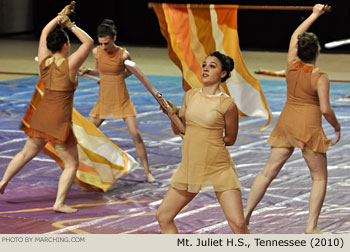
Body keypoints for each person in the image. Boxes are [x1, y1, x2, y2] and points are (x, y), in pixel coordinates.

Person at [244, 4, 341, 234]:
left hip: (286, 123)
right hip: (308, 126)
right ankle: (311, 227)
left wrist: (315, 14)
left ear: (299, 50)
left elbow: (295, 35)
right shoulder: (320, 77)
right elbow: (326, 109)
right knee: (319, 178)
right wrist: (336, 128)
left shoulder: (290, 66)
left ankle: (244, 216)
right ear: (318, 51)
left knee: (267, 172)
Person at [0, 7, 93, 213]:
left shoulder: (44, 60)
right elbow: (88, 42)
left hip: (41, 115)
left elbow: (43, 32)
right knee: (71, 164)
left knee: (26, 153)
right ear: (66, 46)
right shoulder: (70, 64)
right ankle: (59, 203)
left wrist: (58, 17)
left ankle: (3, 182)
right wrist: (71, 25)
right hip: (59, 119)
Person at [156, 51, 249, 234]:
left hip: (218, 167)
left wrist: (207, 141)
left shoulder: (227, 104)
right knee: (163, 216)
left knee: (238, 224)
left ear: (222, 74)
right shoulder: (190, 96)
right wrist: (171, 115)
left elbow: (230, 139)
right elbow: (179, 130)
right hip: (191, 167)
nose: (205, 69)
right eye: (204, 65)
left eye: (212, 66)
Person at [80, 19, 155, 183]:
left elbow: (131, 71)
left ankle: (148, 172)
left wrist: (116, 77)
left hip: (121, 98)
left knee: (136, 135)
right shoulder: (96, 52)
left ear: (114, 38)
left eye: (106, 43)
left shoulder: (124, 54)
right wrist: (87, 71)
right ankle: (85, 170)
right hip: (104, 99)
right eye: (101, 43)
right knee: (84, 134)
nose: (104, 47)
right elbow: (99, 70)